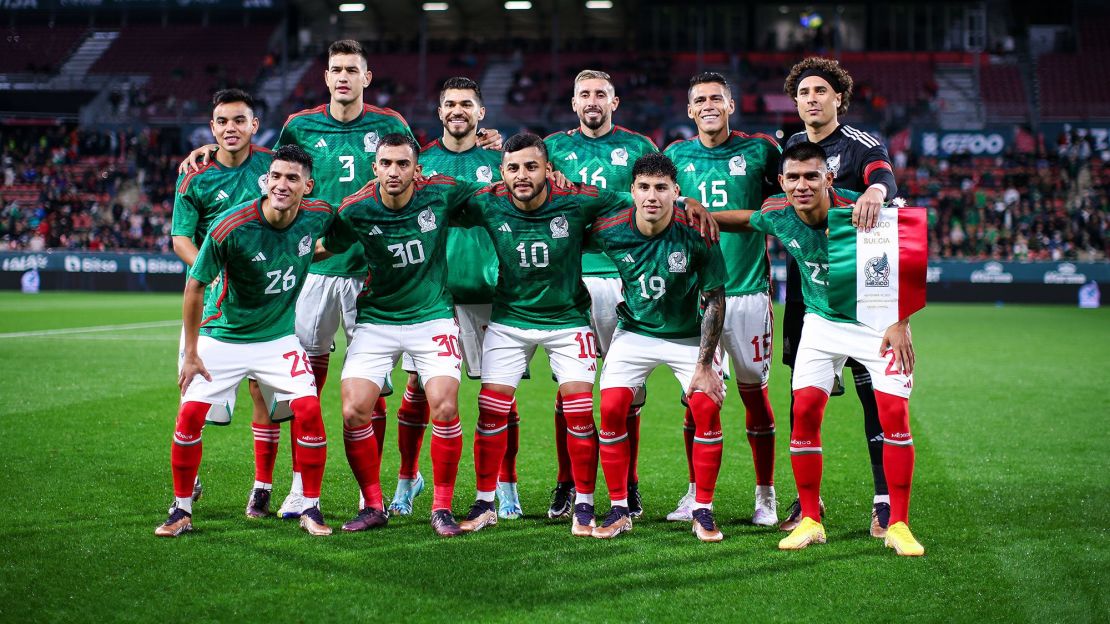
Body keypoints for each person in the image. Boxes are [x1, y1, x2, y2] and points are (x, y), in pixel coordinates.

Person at [455, 133, 716, 537]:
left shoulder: (578, 199)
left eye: (531, 166)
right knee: (491, 411)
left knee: (580, 413)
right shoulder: (486, 200)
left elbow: (640, 202)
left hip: (567, 320)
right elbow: (435, 203)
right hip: (508, 321)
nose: (522, 175)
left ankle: (585, 503)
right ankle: (486, 501)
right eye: (513, 168)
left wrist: (685, 203)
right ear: (501, 172)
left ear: (549, 169)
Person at [713, 141, 924, 556]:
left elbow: (908, 258)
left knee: (893, 414)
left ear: (828, 178)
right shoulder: (777, 212)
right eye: (793, 178)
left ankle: (898, 523)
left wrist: (902, 323)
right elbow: (745, 219)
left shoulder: (861, 209)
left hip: (875, 324)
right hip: (821, 324)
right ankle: (811, 519)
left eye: (812, 176)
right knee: (805, 411)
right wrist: (698, 212)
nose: (802, 185)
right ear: (781, 182)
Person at [156, 145, 336, 538]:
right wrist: (190, 354)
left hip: (278, 338)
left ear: (309, 185)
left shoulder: (319, 215)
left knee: (308, 409)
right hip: (223, 337)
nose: (281, 184)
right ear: (265, 180)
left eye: (292, 178)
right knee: (189, 416)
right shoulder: (230, 225)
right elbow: (195, 287)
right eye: (275, 176)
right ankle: (182, 509)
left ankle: (311, 507)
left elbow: (332, 242)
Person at [321, 133, 487, 537]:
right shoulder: (356, 209)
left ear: (417, 169)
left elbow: (496, 198)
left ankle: (442, 507)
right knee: (353, 409)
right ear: (374, 168)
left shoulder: (442, 192)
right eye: (386, 164)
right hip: (377, 320)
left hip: (432, 317)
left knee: (444, 406)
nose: (393, 171)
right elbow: (323, 245)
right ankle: (374, 506)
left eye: (402, 164)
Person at [780, 57, 900, 536]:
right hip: (808, 289)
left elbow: (884, 175)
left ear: (838, 99)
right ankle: (809, 502)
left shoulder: (860, 142)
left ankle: (883, 498)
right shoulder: (790, 146)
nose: (812, 99)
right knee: (804, 398)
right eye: (804, 92)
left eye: (820, 91)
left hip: (863, 292)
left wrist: (874, 189)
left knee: (874, 399)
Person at [386, 77, 513, 519]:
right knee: (418, 389)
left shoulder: (501, 161)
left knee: (500, 393)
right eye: (449, 104)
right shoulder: (420, 161)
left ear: (481, 114)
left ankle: (506, 484)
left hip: (488, 289)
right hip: (432, 295)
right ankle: (407, 479)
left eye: (466, 105)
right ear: (439, 112)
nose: (457, 110)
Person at [590, 153, 728, 542]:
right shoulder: (611, 229)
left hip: (688, 335)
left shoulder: (698, 231)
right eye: (645, 187)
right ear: (631, 191)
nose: (653, 196)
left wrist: (704, 365)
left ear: (676, 192)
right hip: (634, 332)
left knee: (706, 405)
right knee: (612, 407)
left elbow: (716, 298)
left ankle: (702, 508)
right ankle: (619, 507)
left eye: (662, 188)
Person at [663, 72, 781, 526]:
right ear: (689, 110)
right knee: (697, 397)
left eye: (717, 98)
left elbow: (781, 203)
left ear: (731, 105)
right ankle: (694, 493)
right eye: (700, 100)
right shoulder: (674, 156)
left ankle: (765, 496)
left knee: (754, 396)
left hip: (748, 292)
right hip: (696, 297)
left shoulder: (761, 151)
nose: (709, 105)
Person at [542, 69, 660, 520]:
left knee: (626, 388)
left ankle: (627, 486)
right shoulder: (552, 147)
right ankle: (566, 483)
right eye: (584, 94)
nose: (592, 101)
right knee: (568, 389)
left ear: (615, 102)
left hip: (623, 274)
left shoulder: (639, 147)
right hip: (570, 276)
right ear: (574, 103)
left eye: (601, 94)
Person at [170, 88, 275, 518]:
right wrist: (208, 273)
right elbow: (180, 238)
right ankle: (187, 482)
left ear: (254, 124)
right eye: (222, 122)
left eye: (239, 120)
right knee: (192, 389)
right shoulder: (195, 176)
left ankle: (263, 486)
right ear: (211, 129)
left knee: (263, 391)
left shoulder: (273, 167)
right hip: (213, 301)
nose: (231, 128)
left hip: (268, 297)